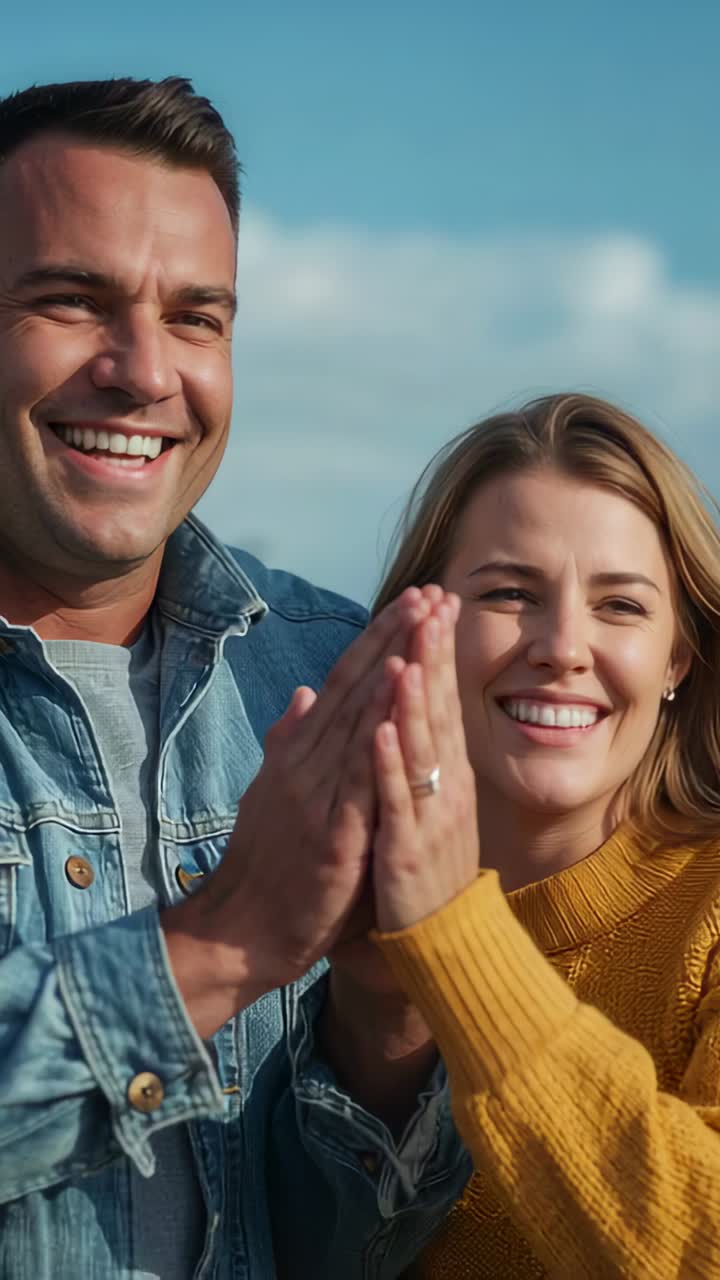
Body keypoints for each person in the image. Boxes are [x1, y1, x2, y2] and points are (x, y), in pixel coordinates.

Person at [0, 77, 469, 1279]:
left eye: (196, 317)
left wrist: (391, 1018)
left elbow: (347, 1249)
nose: (144, 370)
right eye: (73, 300)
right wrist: (222, 941)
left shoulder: (333, 671)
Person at [365, 392, 720, 1278]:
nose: (563, 647)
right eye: (510, 593)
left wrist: (454, 939)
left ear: (677, 659)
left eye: (621, 606)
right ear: (420, 626)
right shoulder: (319, 901)